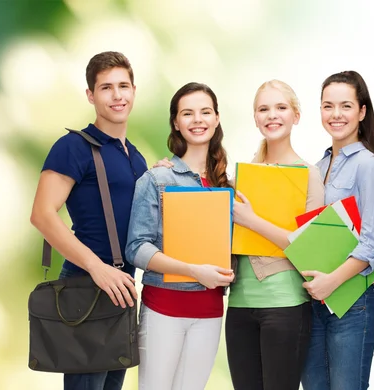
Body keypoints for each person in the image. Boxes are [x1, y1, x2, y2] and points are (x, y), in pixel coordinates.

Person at [30, 51, 148, 390]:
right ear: (90, 95)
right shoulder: (73, 147)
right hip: (87, 283)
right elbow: (42, 214)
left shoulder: (135, 156)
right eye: (106, 87)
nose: (117, 95)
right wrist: (98, 268)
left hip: (123, 287)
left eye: (123, 86)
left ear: (134, 91)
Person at [125, 82, 235, 390]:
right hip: (164, 309)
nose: (197, 120)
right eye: (188, 113)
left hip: (211, 313)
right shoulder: (157, 178)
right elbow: (137, 248)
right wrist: (192, 271)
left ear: (216, 118)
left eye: (205, 112)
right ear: (176, 122)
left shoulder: (230, 186)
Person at [226, 80, 325, 390]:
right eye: (263, 109)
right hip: (239, 305)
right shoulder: (240, 176)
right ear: (255, 118)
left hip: (286, 305)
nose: (272, 115)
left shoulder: (309, 174)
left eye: (281, 107)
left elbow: (308, 248)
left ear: (296, 115)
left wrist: (252, 220)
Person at [300, 71, 374, 390]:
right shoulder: (318, 166)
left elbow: (373, 246)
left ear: (362, 111)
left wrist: (332, 282)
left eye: (345, 106)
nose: (335, 114)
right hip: (314, 299)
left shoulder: (370, 167)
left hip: (353, 302)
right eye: (328, 106)